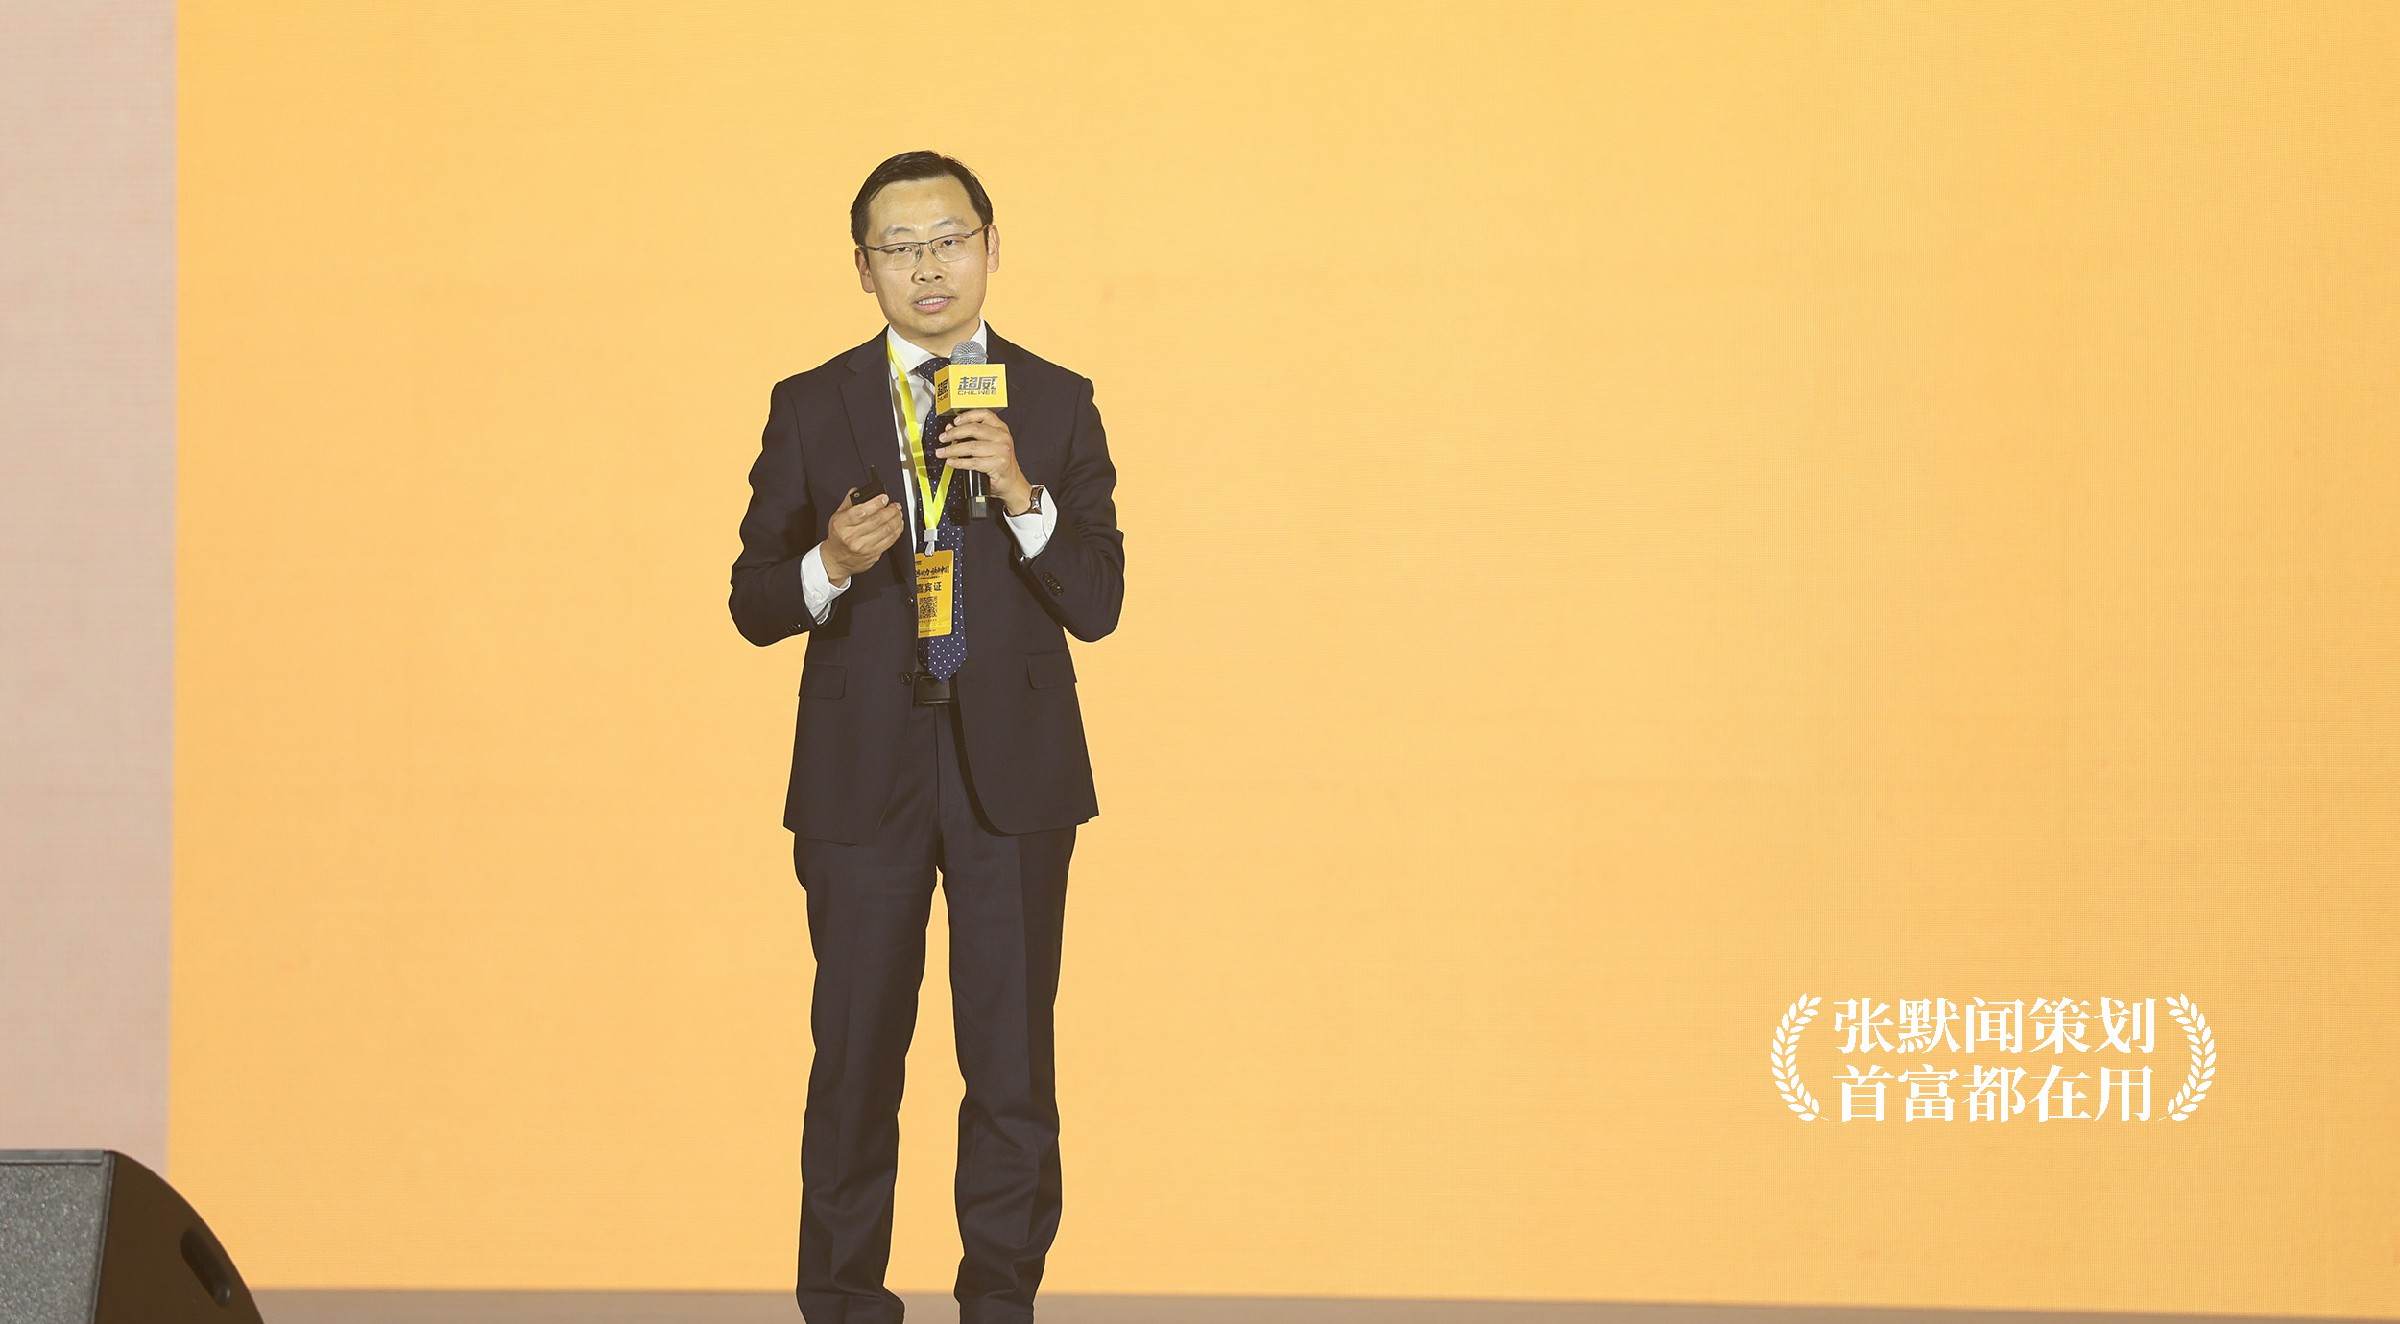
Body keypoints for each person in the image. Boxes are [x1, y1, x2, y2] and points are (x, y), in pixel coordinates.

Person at [728, 150, 1124, 1324]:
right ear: (864, 269)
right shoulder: (812, 403)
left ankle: (1000, 1302)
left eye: (948, 240)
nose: (928, 266)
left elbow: (1099, 600)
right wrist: (828, 563)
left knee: (1010, 1066)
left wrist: (1022, 493)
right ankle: (844, 1301)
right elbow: (752, 600)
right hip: (863, 776)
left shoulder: (1056, 401)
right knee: (855, 1060)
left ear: (991, 247)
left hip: (1016, 778)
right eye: (898, 248)